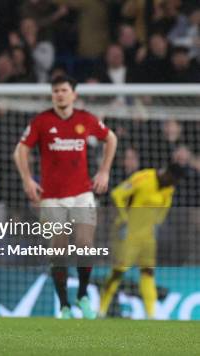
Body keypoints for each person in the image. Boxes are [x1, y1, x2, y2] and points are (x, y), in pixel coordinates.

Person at [13, 75, 117, 319]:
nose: (59, 94)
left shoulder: (85, 119)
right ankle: (64, 305)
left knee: (84, 245)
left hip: (82, 193)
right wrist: (27, 179)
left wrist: (104, 171)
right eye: (56, 90)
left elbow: (110, 138)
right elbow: (21, 150)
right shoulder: (41, 121)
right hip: (51, 198)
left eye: (64, 90)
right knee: (58, 251)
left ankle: (82, 295)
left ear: (74, 94)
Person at [99, 163, 185, 319]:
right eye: (172, 181)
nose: (172, 185)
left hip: (147, 237)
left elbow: (164, 209)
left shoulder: (168, 188)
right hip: (128, 234)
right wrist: (124, 219)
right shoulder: (143, 177)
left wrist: (156, 224)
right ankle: (101, 310)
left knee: (148, 272)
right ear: (167, 173)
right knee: (118, 272)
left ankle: (152, 316)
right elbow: (117, 193)